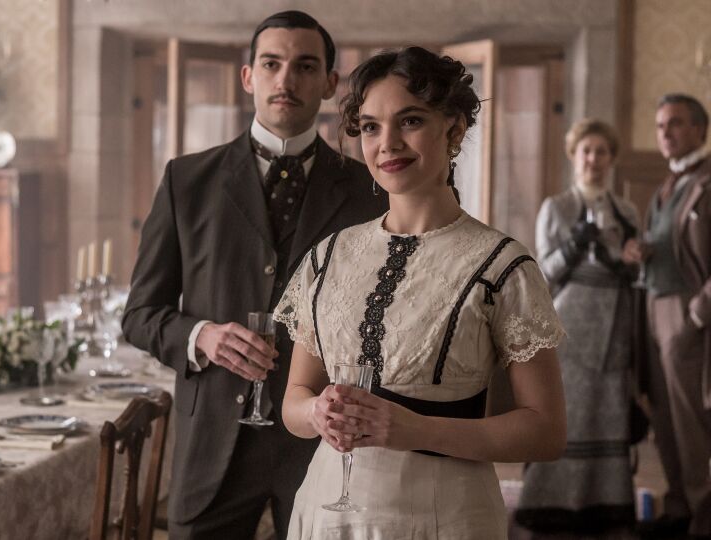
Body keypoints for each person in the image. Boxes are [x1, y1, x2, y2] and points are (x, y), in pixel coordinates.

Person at [273, 46, 567, 540]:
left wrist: (418, 430)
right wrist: (315, 413)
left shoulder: (502, 265)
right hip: (325, 515)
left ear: (454, 129)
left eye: (409, 121)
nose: (388, 143)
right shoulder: (327, 257)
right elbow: (293, 403)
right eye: (370, 127)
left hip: (444, 518)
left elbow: (546, 432)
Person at [122, 10, 387, 539]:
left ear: (330, 83)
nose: (286, 80)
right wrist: (202, 336)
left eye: (305, 66)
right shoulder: (186, 180)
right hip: (211, 450)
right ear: (248, 77)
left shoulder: (368, 191)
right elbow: (140, 315)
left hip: (324, 448)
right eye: (271, 64)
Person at [515, 119, 641, 533]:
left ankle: (605, 504)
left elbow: (634, 273)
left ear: (611, 158)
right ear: (574, 155)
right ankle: (552, 503)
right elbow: (543, 275)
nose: (594, 159)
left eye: (602, 151)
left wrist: (631, 259)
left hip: (614, 325)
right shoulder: (556, 207)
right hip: (569, 326)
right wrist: (575, 243)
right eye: (587, 151)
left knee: (607, 415)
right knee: (568, 412)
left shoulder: (626, 212)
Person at [626, 94, 711, 539]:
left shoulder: (707, 181)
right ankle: (678, 507)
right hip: (653, 309)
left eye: (675, 123)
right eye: (660, 126)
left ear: (700, 129)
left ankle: (703, 518)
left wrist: (695, 316)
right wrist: (639, 251)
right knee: (664, 418)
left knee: (692, 421)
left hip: (688, 311)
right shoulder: (666, 185)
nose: (665, 133)